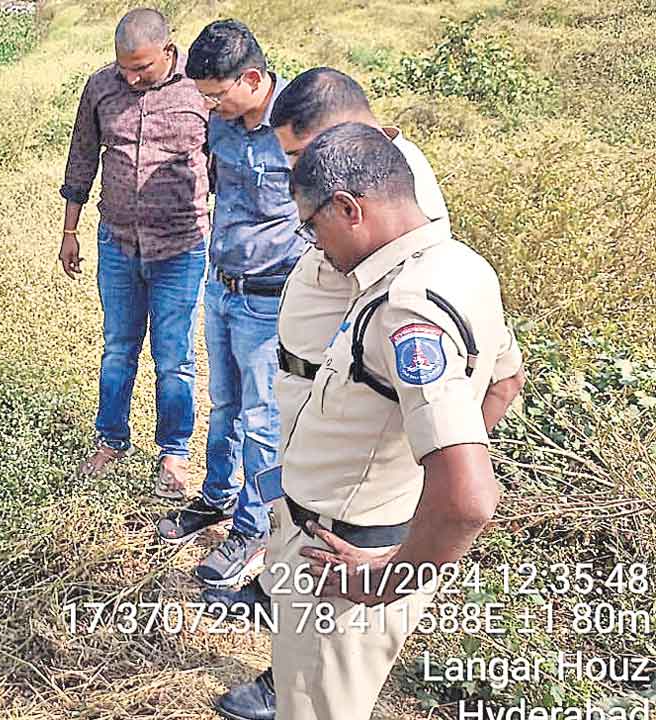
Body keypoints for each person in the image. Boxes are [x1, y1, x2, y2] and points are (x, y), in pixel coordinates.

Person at [214, 123, 525, 720]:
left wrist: (386, 579)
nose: (312, 244)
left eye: (311, 225)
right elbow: (504, 381)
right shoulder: (461, 265)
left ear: (349, 209)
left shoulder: (407, 308)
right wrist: (410, 484)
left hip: (340, 564)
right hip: (364, 533)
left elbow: (469, 500)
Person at [201, 66, 453, 608]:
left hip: (343, 410)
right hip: (310, 388)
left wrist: (396, 571)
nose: (297, 170)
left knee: (320, 540)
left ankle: (284, 624)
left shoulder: (397, 197)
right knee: (290, 503)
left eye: (299, 155)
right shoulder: (358, 184)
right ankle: (273, 587)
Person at [156, 20, 298, 592]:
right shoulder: (222, 122)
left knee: (264, 419)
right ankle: (217, 496)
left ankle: (254, 528)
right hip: (221, 285)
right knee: (225, 405)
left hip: (271, 298)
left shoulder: (299, 122)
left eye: (216, 95)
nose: (209, 107)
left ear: (253, 79)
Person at [59, 7, 211, 499]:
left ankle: (174, 452)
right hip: (117, 243)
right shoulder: (101, 87)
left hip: (181, 248)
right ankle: (111, 440)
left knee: (175, 357)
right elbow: (82, 157)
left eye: (141, 67)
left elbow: (221, 162)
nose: (131, 77)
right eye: (124, 67)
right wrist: (70, 230)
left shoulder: (199, 88)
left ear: (168, 50)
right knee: (118, 349)